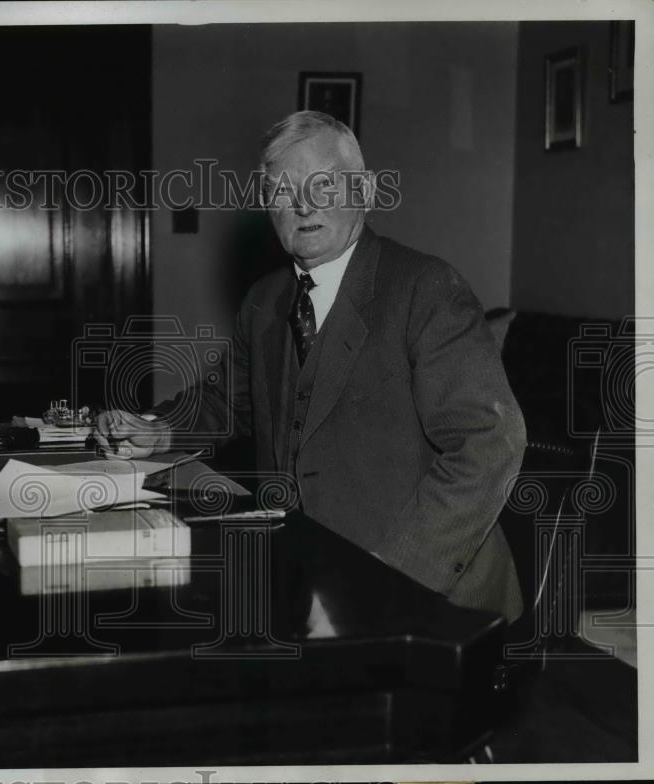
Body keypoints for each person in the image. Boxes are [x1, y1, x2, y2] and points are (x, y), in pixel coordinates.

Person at [95, 111, 526, 622]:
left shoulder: (425, 290)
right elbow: (227, 400)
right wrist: (160, 431)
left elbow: (489, 443)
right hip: (304, 581)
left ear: (364, 191)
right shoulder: (265, 300)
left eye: (323, 183)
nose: (301, 204)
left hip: (430, 597)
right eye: (281, 190)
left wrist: (385, 578)